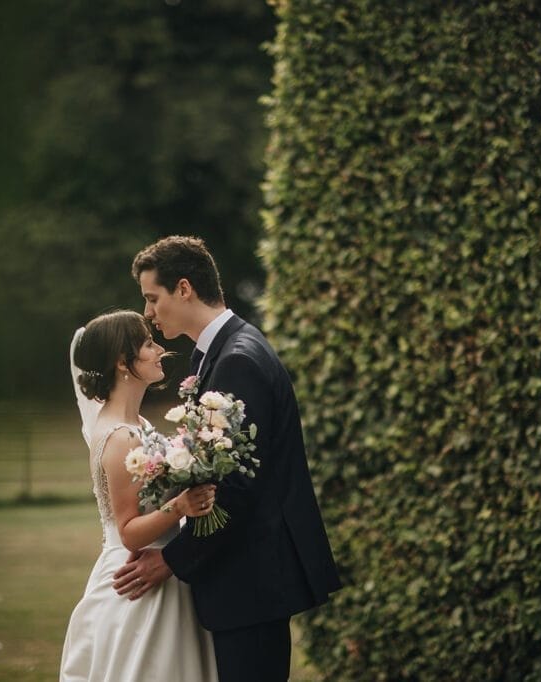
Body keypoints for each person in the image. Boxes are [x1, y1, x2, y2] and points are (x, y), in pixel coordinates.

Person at [114, 236, 342, 681]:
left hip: (251, 578)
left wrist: (172, 560)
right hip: (245, 576)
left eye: (151, 298)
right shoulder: (225, 351)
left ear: (184, 288)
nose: (147, 313)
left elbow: (237, 486)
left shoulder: (238, 359)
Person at [60, 310, 219, 681]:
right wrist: (180, 505)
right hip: (137, 577)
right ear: (122, 362)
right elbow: (129, 530)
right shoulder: (119, 438)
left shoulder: (138, 425)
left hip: (165, 572)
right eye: (148, 343)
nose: (159, 349)